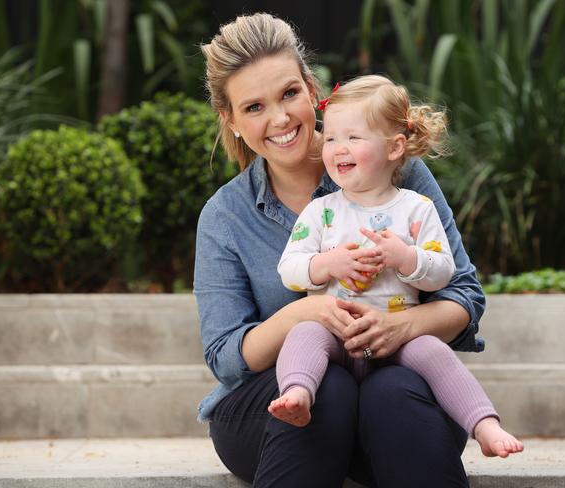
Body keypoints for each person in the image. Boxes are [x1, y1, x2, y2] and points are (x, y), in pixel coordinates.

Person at [196, 12, 486, 488]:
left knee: (390, 390)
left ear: (312, 89)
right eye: (253, 107)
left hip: (392, 400)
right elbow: (227, 357)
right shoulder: (225, 216)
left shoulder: (394, 170)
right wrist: (304, 316)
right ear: (229, 119)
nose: (280, 119)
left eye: (289, 94)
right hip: (271, 410)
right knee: (326, 388)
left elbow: (465, 296)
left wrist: (400, 328)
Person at [269, 75, 523, 459]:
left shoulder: (415, 208)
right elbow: (290, 268)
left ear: (395, 147)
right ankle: (298, 394)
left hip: (398, 338)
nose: (339, 148)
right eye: (332, 137)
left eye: (354, 138)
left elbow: (443, 271)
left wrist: (407, 259)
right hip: (334, 335)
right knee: (302, 334)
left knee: (436, 354)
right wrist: (327, 263)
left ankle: (484, 424)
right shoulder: (321, 211)